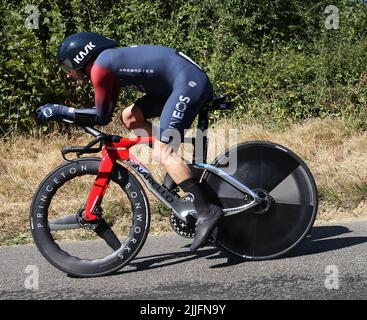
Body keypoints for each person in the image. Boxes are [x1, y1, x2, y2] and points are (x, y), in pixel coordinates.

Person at [36, 32, 223, 251]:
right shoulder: (106, 65)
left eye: (67, 66)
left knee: (163, 152)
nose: (68, 74)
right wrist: (64, 112)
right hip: (177, 83)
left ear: (81, 57)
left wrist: (60, 110)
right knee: (130, 117)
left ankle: (207, 211)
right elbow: (104, 116)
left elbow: (98, 116)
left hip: (188, 82)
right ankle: (180, 168)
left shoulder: (101, 67)